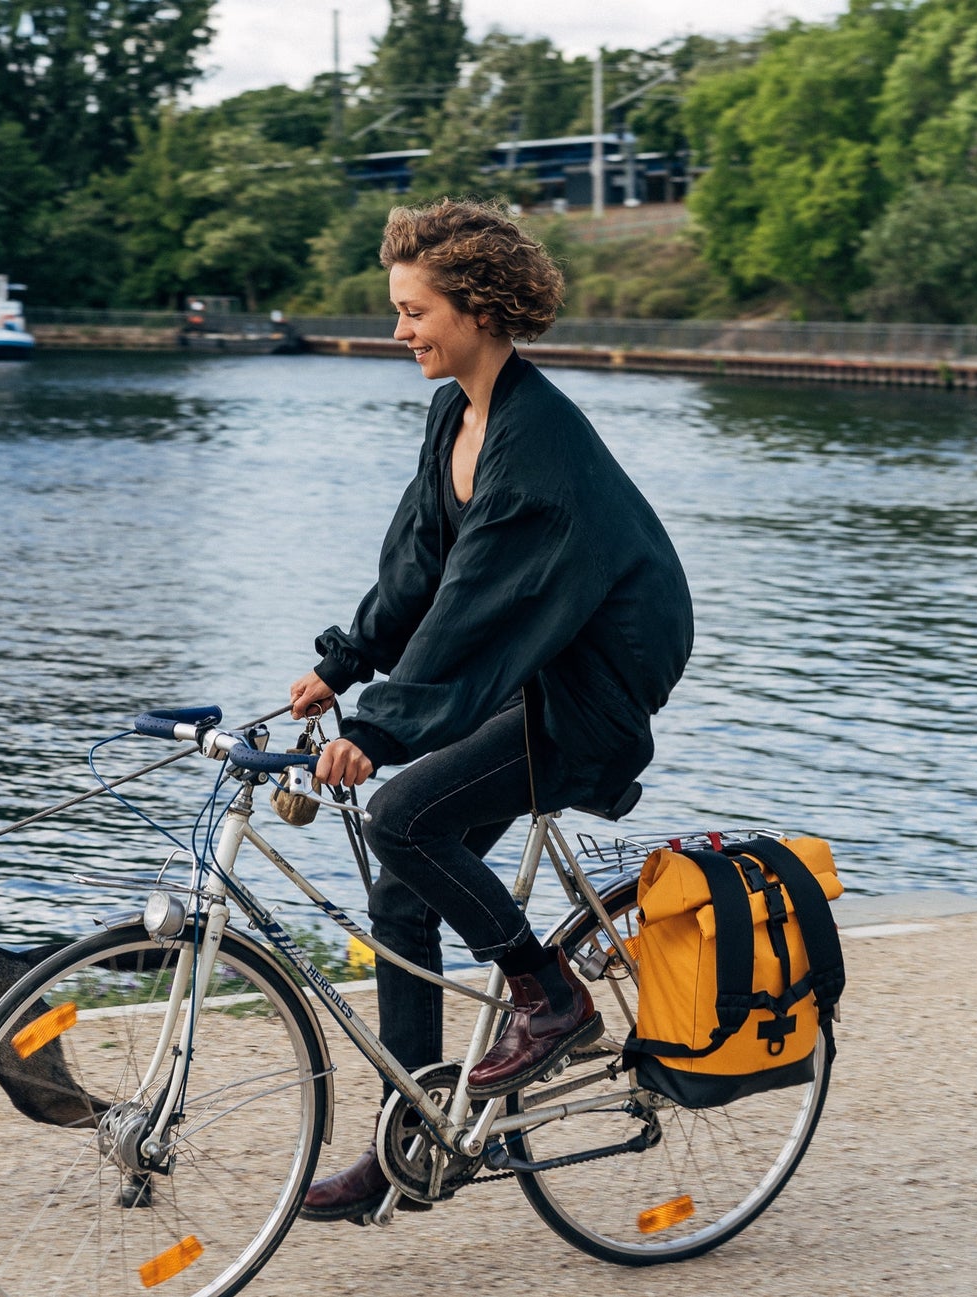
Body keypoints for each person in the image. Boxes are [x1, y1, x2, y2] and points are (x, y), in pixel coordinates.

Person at [291, 199, 693, 1223]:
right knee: (401, 884)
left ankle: (547, 992)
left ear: (474, 307)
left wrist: (379, 731)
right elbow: (423, 564)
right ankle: (409, 1131)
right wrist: (345, 667)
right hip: (526, 680)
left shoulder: (537, 445)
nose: (397, 332)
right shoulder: (458, 415)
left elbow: (479, 606)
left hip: (583, 699)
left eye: (412, 310)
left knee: (400, 815)